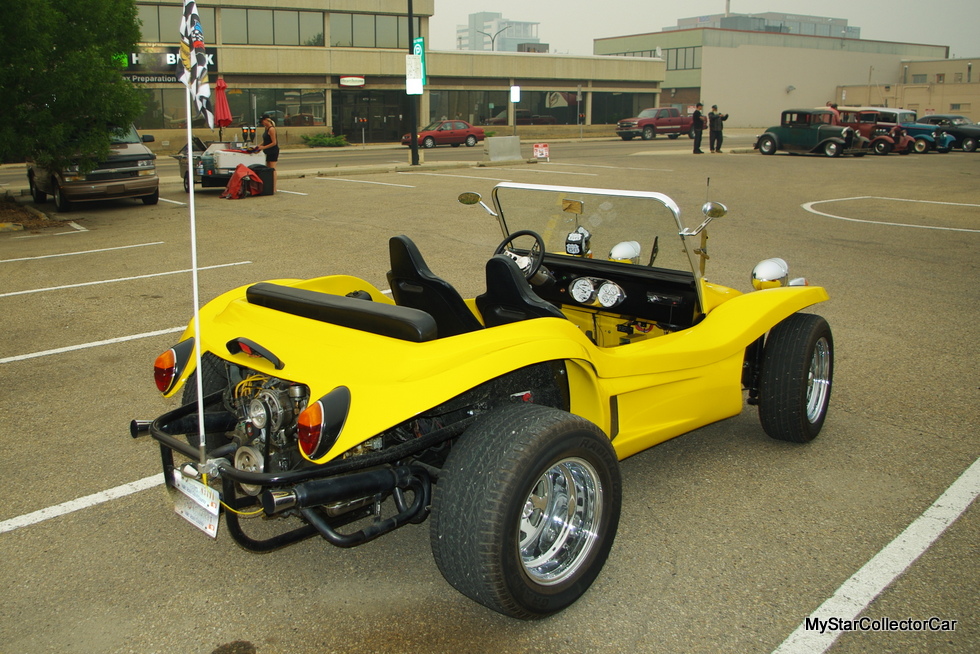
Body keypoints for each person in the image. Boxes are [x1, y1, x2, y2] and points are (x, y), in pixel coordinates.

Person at [257, 113, 279, 192]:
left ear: (266, 120)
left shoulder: (271, 129)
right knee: (268, 168)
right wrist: (258, 146)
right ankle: (269, 185)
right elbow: (265, 141)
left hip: (273, 150)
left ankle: (274, 187)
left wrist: (264, 147)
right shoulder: (266, 128)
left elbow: (274, 142)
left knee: (272, 168)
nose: (262, 123)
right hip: (267, 150)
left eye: (263, 121)